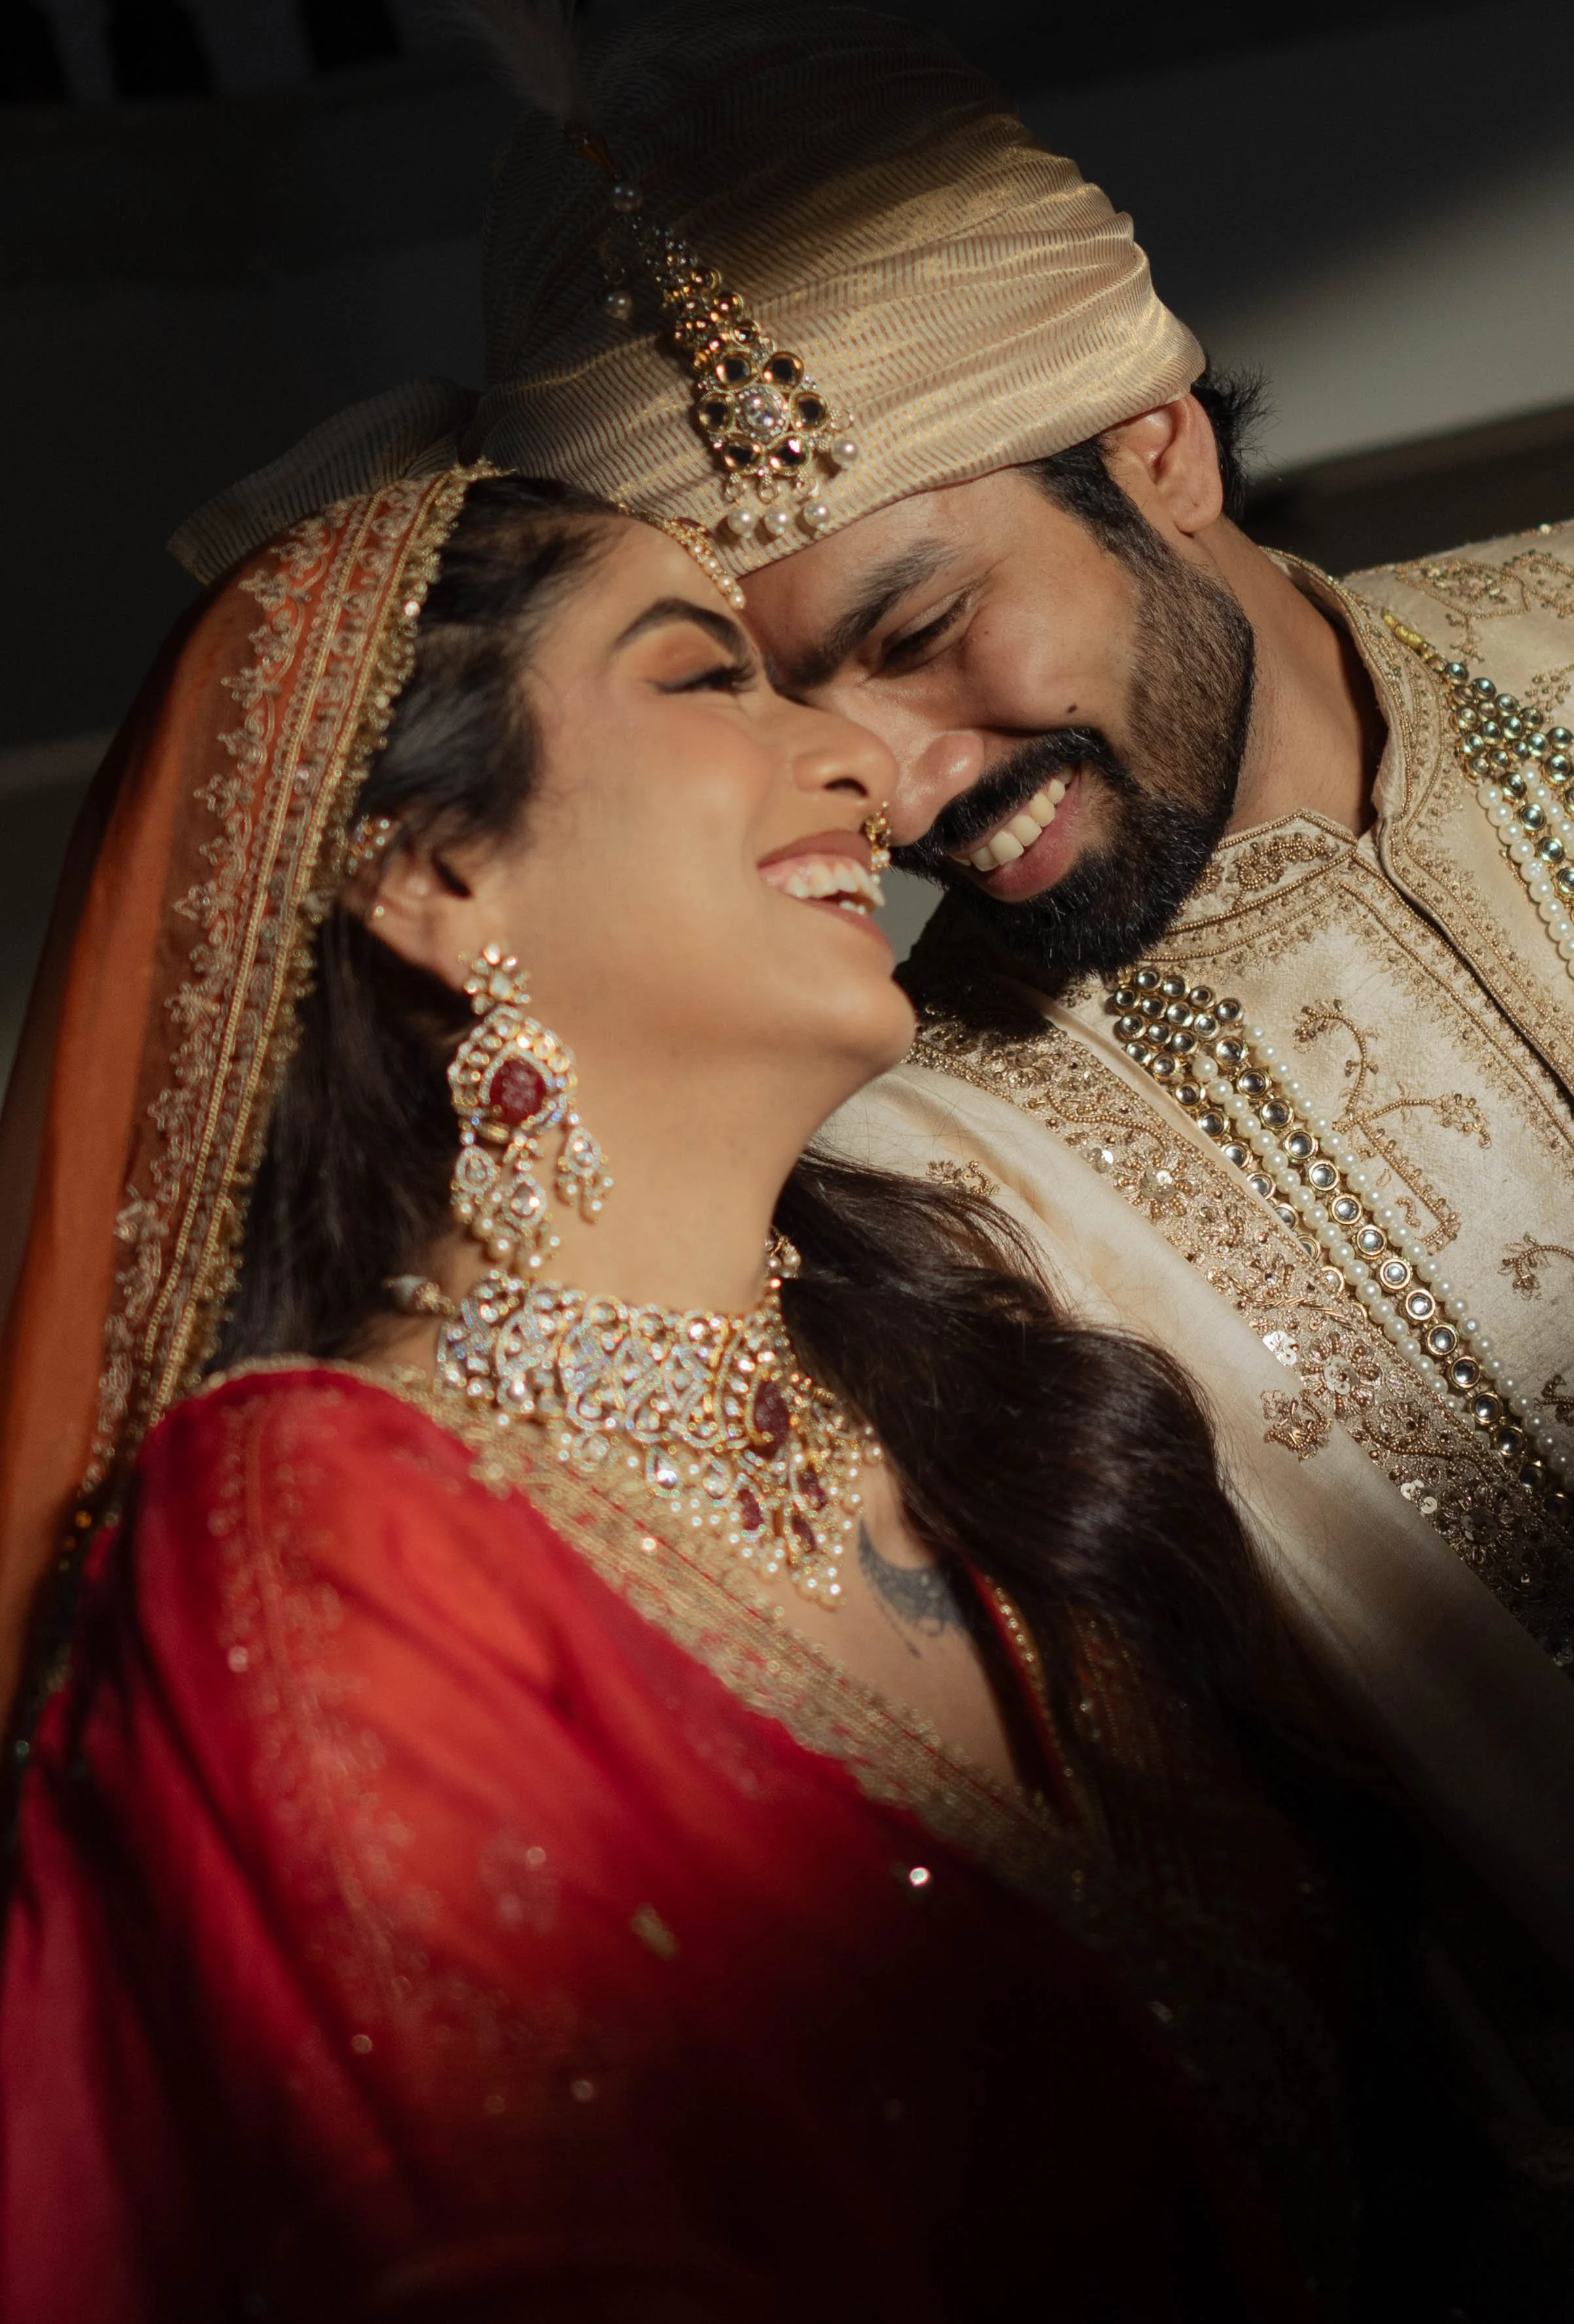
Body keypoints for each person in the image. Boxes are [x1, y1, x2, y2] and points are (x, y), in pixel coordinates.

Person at [158, 0, 1574, 1974]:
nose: (888, 783)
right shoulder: (898, 1204)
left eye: (920, 628)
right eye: (769, 696)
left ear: (1156, 453)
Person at [0, 465, 1444, 2319]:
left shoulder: (985, 1400)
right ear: (432, 867)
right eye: (709, 680)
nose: (855, 760)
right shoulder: (318, 1513)